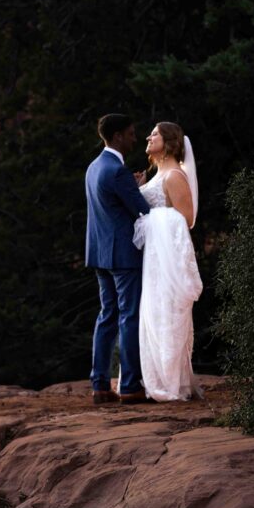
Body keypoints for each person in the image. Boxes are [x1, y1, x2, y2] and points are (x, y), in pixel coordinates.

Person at [133, 121, 203, 401]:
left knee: (167, 312)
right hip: (154, 257)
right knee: (153, 311)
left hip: (167, 259)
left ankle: (171, 382)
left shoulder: (174, 175)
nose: (148, 137)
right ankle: (159, 377)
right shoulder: (157, 173)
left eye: (155, 134)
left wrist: (151, 219)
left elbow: (186, 218)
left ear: (169, 141)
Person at [85, 113, 151, 405]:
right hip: (123, 255)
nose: (135, 139)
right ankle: (129, 386)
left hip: (99, 253)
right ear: (116, 137)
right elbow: (140, 209)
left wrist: (130, 187)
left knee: (107, 316)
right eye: (131, 133)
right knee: (129, 317)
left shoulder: (93, 167)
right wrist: (138, 188)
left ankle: (100, 384)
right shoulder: (118, 171)